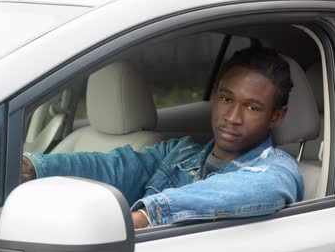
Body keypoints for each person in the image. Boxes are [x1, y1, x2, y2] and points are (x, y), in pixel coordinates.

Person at [21, 46, 304, 229]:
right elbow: (114, 168)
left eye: (252, 107)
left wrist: (142, 218)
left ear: (277, 116)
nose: (232, 117)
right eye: (226, 98)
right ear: (216, 94)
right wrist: (35, 168)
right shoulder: (179, 153)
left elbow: (259, 186)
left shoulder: (277, 169)